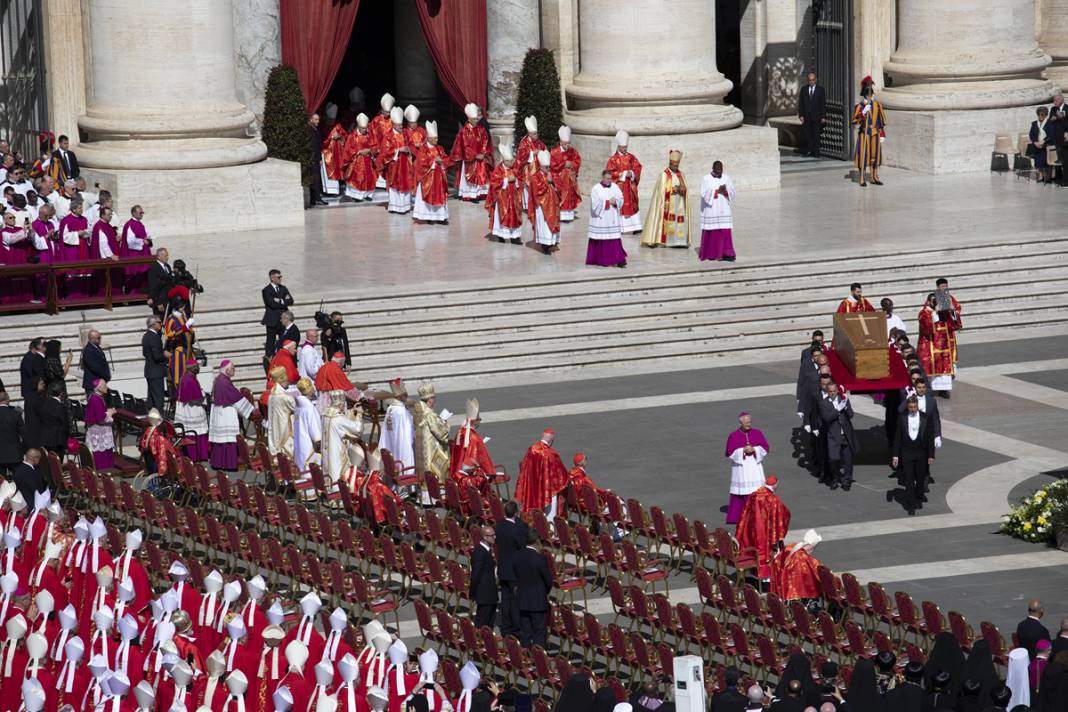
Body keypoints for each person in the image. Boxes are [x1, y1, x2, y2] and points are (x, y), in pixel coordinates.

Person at [735, 475, 790, 583]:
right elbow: (784, 513)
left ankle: (750, 573)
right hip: (765, 532)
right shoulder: (773, 499)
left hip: (751, 528)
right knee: (766, 552)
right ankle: (766, 580)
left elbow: (745, 512)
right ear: (774, 486)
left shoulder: (754, 495)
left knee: (752, 547)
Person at [891, 395, 936, 515]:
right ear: (907, 407)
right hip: (907, 452)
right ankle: (910, 504)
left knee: (920, 478)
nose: (912, 409)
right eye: (910, 407)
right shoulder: (902, 418)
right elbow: (897, 438)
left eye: (914, 407)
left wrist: (931, 455)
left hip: (921, 452)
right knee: (909, 478)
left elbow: (930, 438)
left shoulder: (925, 417)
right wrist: (895, 455)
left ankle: (918, 497)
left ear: (918, 406)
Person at [208, 360, 256, 471]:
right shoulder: (225, 382)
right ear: (227, 370)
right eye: (233, 368)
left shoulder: (219, 379)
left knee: (221, 440)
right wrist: (251, 410)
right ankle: (229, 464)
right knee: (228, 439)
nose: (234, 370)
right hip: (226, 414)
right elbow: (236, 398)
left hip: (219, 412)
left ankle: (218, 463)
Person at [724, 412, 769, 524]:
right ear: (741, 422)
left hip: (754, 465)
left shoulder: (758, 433)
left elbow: (765, 447)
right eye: (747, 422)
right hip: (741, 468)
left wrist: (754, 449)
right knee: (740, 493)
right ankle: (738, 516)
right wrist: (743, 450)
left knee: (757, 491)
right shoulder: (733, 436)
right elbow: (729, 452)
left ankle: (759, 514)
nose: (749, 424)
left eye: (750, 421)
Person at [640, 149, 690, 249]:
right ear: (670, 163)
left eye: (677, 166)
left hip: (679, 203)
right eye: (674, 165)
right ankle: (667, 241)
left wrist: (681, 189)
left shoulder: (681, 175)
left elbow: (685, 189)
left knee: (679, 221)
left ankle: (679, 241)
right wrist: (672, 189)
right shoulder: (664, 175)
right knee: (669, 221)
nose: (676, 167)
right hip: (668, 204)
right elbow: (661, 192)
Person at [516, 428, 569, 519]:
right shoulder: (551, 453)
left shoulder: (531, 449)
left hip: (532, 484)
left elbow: (524, 466)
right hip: (546, 488)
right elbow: (561, 474)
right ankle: (550, 529)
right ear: (551, 441)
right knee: (550, 512)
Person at [494, 500, 528, 638]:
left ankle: (506, 626)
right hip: (515, 570)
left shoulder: (499, 527)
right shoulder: (517, 530)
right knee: (514, 600)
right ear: (516, 513)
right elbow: (522, 548)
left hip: (503, 567)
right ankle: (515, 627)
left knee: (505, 599)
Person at [514, 529, 552, 649]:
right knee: (539, 632)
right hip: (537, 601)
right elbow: (548, 580)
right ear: (536, 542)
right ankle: (538, 657)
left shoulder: (517, 556)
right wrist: (543, 592)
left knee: (525, 631)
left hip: (522, 599)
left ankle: (526, 656)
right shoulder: (539, 558)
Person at [817, 381, 858, 491]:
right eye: (830, 392)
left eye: (834, 391)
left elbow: (851, 415)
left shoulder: (843, 399)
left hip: (845, 435)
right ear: (827, 392)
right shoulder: (823, 404)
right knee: (833, 459)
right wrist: (838, 409)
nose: (833, 393)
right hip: (833, 436)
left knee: (848, 460)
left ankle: (846, 480)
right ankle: (835, 478)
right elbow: (827, 418)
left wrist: (846, 406)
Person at [918, 293, 958, 399]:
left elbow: (954, 325)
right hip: (930, 346)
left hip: (944, 346)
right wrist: (935, 312)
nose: (935, 302)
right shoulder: (924, 313)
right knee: (932, 369)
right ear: (929, 301)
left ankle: (944, 390)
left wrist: (951, 311)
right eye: (933, 300)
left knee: (945, 370)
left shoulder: (943, 313)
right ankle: (933, 391)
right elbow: (927, 328)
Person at [450, 103, 493, 201]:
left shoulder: (481, 129)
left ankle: (481, 194)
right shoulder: (464, 131)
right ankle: (470, 195)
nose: (476, 120)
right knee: (471, 176)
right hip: (470, 159)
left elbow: (485, 140)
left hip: (481, 157)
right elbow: (465, 146)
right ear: (469, 119)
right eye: (474, 119)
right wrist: (475, 155)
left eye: (476, 118)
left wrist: (482, 153)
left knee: (482, 174)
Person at [585, 170, 628, 268]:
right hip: (601, 219)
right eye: (607, 178)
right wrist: (608, 202)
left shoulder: (615, 187)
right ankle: (603, 259)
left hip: (612, 218)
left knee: (615, 239)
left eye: (610, 178)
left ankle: (619, 260)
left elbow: (621, 199)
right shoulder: (596, 188)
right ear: (602, 178)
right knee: (602, 239)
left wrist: (616, 201)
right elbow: (595, 205)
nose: (609, 181)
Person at [412, 382, 450, 491]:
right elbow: (440, 433)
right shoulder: (429, 414)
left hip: (420, 448)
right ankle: (434, 492)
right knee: (434, 466)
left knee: (423, 468)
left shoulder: (417, 412)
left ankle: (424, 493)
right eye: (433, 399)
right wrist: (445, 423)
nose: (434, 401)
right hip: (430, 448)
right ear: (429, 400)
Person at [698, 160, 737, 262]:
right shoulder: (705, 178)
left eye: (721, 169)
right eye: (718, 169)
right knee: (713, 232)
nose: (720, 171)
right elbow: (704, 193)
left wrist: (726, 191)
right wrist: (716, 191)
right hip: (712, 210)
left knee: (725, 231)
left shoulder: (726, 178)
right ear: (713, 169)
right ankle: (713, 254)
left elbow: (732, 191)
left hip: (724, 209)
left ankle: (727, 254)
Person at [412, 121, 451, 225]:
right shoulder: (423, 149)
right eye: (435, 138)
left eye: (437, 138)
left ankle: (441, 217)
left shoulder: (440, 148)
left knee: (440, 195)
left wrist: (442, 161)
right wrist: (434, 161)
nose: (437, 140)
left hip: (439, 177)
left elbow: (446, 158)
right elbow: (420, 162)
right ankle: (429, 216)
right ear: (428, 138)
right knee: (429, 196)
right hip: (428, 178)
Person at [379, 106, 415, 215]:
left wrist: (408, 150)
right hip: (394, 165)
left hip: (405, 163)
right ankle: (395, 207)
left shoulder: (405, 134)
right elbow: (385, 152)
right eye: (398, 125)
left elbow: (411, 146)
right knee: (395, 184)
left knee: (406, 182)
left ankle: (405, 206)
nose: (400, 127)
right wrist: (398, 150)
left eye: (401, 125)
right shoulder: (388, 136)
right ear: (393, 124)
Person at [605, 130, 643, 234]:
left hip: (630, 186)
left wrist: (632, 173)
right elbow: (609, 173)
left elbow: (638, 167)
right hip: (620, 186)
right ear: (618, 146)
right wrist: (622, 174)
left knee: (633, 204)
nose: (625, 149)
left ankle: (636, 226)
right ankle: (622, 228)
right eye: (623, 147)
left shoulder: (631, 157)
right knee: (621, 204)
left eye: (626, 147)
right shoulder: (613, 159)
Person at [770, 529, 822, 603]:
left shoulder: (791, 547)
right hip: (797, 588)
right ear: (810, 547)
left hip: (784, 583)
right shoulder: (803, 557)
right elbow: (816, 570)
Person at [486, 143, 523, 244]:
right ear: (504, 160)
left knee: (515, 216)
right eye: (510, 161)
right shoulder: (498, 169)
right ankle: (501, 235)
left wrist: (515, 180)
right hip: (502, 199)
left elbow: (520, 179)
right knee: (503, 216)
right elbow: (494, 183)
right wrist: (506, 180)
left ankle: (515, 237)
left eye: (512, 160)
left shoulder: (514, 169)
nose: (512, 162)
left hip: (514, 198)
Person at [527, 150, 561, 255]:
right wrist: (548, 182)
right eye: (546, 167)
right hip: (542, 206)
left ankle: (551, 242)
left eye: (549, 167)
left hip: (553, 204)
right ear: (541, 167)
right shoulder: (535, 177)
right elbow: (537, 191)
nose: (548, 169)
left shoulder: (551, 174)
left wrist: (553, 182)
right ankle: (544, 245)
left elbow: (559, 187)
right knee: (545, 225)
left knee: (552, 223)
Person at [852, 86, 886, 187]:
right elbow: (854, 121)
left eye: (871, 95)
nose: (870, 97)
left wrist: (882, 133)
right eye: (868, 95)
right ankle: (862, 178)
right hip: (864, 133)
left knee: (874, 155)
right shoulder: (860, 106)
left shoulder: (877, 105)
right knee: (863, 155)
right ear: (865, 95)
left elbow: (880, 120)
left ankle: (874, 176)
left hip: (875, 133)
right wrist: (862, 113)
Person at [174, 362, 209, 462]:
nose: (199, 369)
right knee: (195, 431)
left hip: (187, 408)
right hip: (192, 410)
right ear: (194, 369)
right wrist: (204, 397)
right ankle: (196, 455)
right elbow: (194, 399)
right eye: (197, 367)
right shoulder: (189, 380)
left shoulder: (186, 376)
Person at [341, 112, 378, 202]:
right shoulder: (352, 136)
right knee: (358, 178)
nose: (365, 130)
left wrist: (369, 150)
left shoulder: (370, 135)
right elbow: (347, 150)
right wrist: (359, 152)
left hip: (368, 160)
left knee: (370, 178)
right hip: (356, 161)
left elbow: (375, 146)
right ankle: (356, 195)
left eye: (366, 128)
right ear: (358, 126)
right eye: (362, 128)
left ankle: (368, 194)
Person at [380, 379, 415, 473]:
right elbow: (409, 430)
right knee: (404, 460)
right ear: (400, 397)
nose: (406, 397)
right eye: (405, 395)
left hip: (391, 443)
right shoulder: (401, 412)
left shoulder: (390, 409)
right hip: (402, 443)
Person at [550, 125, 582, 222]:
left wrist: (571, 164)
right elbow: (552, 165)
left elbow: (578, 161)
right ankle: (561, 215)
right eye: (566, 144)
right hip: (559, 178)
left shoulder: (572, 151)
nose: (568, 145)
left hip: (570, 179)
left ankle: (569, 215)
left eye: (569, 143)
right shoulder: (554, 152)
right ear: (561, 142)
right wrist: (563, 164)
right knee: (561, 195)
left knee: (570, 195)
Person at [119, 205, 153, 293]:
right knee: (134, 276)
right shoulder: (130, 224)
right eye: (140, 213)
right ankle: (132, 296)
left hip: (142, 254)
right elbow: (130, 242)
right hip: (134, 255)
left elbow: (146, 235)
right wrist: (143, 242)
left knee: (142, 276)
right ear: (134, 213)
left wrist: (148, 240)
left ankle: (142, 295)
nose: (142, 214)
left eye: (142, 212)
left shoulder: (140, 224)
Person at [261, 269, 295, 356]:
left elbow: (291, 301)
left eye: (281, 277)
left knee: (284, 340)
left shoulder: (283, 288)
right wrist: (284, 302)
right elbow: (271, 304)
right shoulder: (266, 290)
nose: (280, 279)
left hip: (283, 320)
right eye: (278, 277)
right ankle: (269, 360)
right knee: (270, 342)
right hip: (272, 320)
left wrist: (280, 301)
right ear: (272, 278)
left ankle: (283, 357)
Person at [470, 525, 497, 629]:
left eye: (494, 535)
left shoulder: (487, 550)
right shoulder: (480, 552)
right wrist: (472, 594)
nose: (494, 537)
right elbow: (476, 575)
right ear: (485, 537)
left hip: (489, 593)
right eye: (491, 535)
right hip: (485, 595)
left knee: (489, 623)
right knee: (483, 623)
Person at [84, 379, 116, 469]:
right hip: (99, 434)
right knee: (102, 459)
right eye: (105, 385)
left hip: (99, 432)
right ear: (99, 387)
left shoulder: (97, 397)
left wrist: (107, 411)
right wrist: (110, 413)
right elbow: (100, 419)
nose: (107, 387)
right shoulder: (95, 399)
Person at [266, 367, 296, 459]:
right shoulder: (284, 396)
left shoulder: (272, 394)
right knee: (288, 452)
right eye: (287, 381)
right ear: (282, 381)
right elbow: (295, 406)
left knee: (277, 446)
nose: (288, 382)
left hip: (275, 426)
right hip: (285, 427)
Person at [142, 316, 168, 413]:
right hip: (156, 372)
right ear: (153, 324)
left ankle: (154, 419)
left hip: (150, 371)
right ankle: (159, 422)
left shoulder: (146, 336)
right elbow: (157, 356)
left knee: (152, 398)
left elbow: (145, 353)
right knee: (158, 399)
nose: (161, 324)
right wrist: (165, 355)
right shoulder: (154, 337)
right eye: (159, 322)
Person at [797, 72, 826, 157]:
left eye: (813, 80)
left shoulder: (821, 90)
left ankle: (816, 152)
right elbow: (801, 103)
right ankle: (809, 149)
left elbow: (822, 104)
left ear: (815, 80)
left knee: (816, 135)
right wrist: (801, 115)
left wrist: (823, 116)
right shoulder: (804, 89)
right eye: (810, 80)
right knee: (808, 135)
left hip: (816, 116)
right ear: (808, 81)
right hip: (806, 116)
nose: (811, 82)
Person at [37, 382, 69, 456]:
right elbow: (64, 424)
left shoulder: (45, 403)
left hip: (46, 438)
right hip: (57, 439)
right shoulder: (60, 406)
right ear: (61, 393)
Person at [80, 330, 110, 397]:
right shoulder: (88, 350)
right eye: (98, 338)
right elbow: (95, 367)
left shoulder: (96, 347)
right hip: (92, 384)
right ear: (92, 339)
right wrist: (106, 376)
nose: (100, 340)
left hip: (99, 383)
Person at [0, 393, 22, 477]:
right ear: (7, 400)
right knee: (18, 478)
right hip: (14, 452)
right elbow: (22, 432)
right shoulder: (15, 414)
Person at [307, 113, 327, 206]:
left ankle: (314, 199)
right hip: (313, 158)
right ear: (311, 119)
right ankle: (316, 198)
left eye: (318, 119)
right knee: (315, 179)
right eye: (316, 119)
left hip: (315, 158)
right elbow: (314, 146)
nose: (318, 121)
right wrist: (318, 158)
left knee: (315, 179)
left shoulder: (314, 130)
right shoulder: (310, 131)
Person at [145, 247, 172, 315]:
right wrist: (158, 302)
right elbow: (153, 287)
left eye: (167, 255)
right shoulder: (154, 268)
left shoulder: (167, 267)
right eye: (165, 256)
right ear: (159, 257)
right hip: (160, 301)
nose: (167, 257)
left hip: (168, 300)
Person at [1029, 107, 1053, 183]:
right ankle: (1040, 176)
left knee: (1047, 161)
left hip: (1046, 145)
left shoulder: (1049, 123)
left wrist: (1043, 142)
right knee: (1038, 161)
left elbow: (1051, 135)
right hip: (1037, 145)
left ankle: (1048, 176)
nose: (1040, 116)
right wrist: (1035, 142)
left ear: (1046, 115)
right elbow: (1031, 134)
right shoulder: (1034, 124)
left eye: (1042, 115)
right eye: (1039, 115)